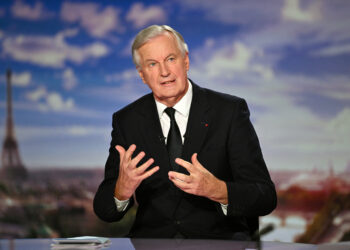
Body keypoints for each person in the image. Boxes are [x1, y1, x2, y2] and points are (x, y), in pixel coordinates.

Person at [93, 24, 277, 240]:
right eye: (152, 64)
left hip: (219, 244)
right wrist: (121, 191)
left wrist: (217, 189)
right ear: (142, 75)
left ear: (186, 61)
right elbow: (104, 209)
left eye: (171, 59)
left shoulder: (229, 112)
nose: (164, 72)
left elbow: (265, 197)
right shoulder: (127, 121)